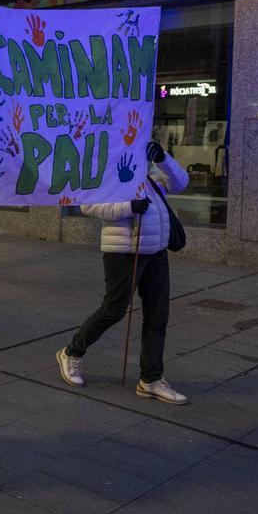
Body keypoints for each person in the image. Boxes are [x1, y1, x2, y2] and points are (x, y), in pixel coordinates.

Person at [57, 141, 191, 404]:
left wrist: (162, 158)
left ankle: (151, 379)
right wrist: (128, 207)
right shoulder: (105, 169)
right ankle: (72, 352)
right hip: (123, 252)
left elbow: (180, 182)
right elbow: (88, 206)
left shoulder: (150, 173)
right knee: (114, 309)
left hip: (157, 252)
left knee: (157, 316)